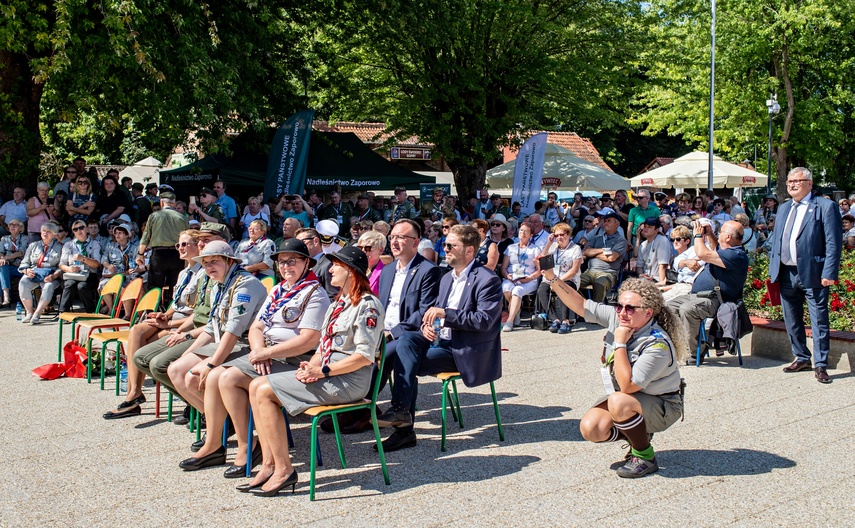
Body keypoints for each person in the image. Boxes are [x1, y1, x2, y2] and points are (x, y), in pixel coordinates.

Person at [180, 239, 329, 478]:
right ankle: (219, 443)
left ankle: (246, 446)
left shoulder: (314, 294)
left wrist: (265, 353)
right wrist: (259, 351)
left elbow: (309, 340)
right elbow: (257, 327)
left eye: (293, 261)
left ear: (307, 263)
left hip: (293, 359)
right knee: (213, 375)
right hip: (267, 353)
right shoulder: (279, 290)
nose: (286, 266)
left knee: (226, 377)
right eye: (281, 262)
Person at [246, 245, 383, 494]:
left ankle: (284, 470)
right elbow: (323, 346)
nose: (330, 269)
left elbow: (364, 357)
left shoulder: (367, 305)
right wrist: (312, 365)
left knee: (265, 390)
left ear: (351, 271)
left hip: (349, 381)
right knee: (256, 385)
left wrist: (324, 372)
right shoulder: (337, 304)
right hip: (329, 375)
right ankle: (269, 463)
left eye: (336, 265)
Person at [543, 270, 686, 478]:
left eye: (630, 308)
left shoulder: (657, 345)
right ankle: (638, 433)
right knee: (591, 428)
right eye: (619, 306)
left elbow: (628, 386)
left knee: (619, 401)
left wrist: (619, 343)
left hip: (663, 404)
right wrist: (552, 278)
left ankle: (645, 456)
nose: (622, 312)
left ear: (648, 312)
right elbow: (581, 305)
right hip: (632, 399)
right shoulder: (620, 319)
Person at [376, 224, 502, 451]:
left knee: (404, 360)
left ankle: (403, 427)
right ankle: (400, 413)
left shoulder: (487, 279)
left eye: (451, 246)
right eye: (445, 245)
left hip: (463, 349)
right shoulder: (447, 278)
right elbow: (435, 315)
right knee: (406, 341)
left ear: (469, 251)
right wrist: (428, 326)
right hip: (439, 342)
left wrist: (446, 315)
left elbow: (484, 320)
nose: (445, 250)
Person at [326, 218, 440, 435]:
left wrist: (391, 334)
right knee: (354, 351)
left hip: (412, 335)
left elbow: (424, 311)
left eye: (401, 238)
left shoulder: (428, 270)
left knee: (379, 357)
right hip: (383, 333)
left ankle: (366, 413)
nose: (395, 242)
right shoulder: (388, 271)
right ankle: (358, 410)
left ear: (415, 242)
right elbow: (379, 307)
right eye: (393, 237)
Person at [168, 241, 267, 467]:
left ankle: (216, 441)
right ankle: (223, 424)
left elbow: (233, 331)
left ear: (229, 261)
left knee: (196, 376)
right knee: (176, 370)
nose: (209, 267)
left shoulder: (245, 285)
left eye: (214, 261)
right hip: (225, 342)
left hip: (244, 344)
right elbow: (213, 328)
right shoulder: (218, 285)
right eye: (205, 263)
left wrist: (212, 364)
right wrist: (188, 356)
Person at [768, 167, 842, 384]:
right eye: (790, 181)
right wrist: (773, 269)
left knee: (819, 319)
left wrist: (829, 272)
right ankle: (801, 357)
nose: (792, 184)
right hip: (786, 272)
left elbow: (833, 242)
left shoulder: (825, 207)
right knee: (791, 319)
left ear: (809, 184)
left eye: (797, 181)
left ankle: (820, 365)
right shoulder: (783, 208)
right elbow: (778, 241)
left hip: (814, 273)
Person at [666, 220, 748, 360]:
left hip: (716, 300)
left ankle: (694, 352)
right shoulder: (727, 251)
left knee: (687, 309)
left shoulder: (736, 255)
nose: (719, 233)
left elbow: (703, 254)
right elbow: (715, 247)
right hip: (698, 295)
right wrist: (709, 234)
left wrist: (698, 235)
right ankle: (676, 346)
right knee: (668, 306)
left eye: (721, 231)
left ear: (728, 237)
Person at [136, 192, 189, 308]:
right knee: (175, 286)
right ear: (174, 204)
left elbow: (145, 237)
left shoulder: (154, 216)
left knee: (154, 286)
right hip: (177, 254)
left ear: (161, 202)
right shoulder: (183, 218)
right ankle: (172, 311)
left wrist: (140, 254)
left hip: (159, 255)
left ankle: (152, 311)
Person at [536, 222, 583, 334]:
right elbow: (541, 258)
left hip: (569, 278)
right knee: (542, 290)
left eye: (562, 234)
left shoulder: (575, 248)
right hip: (551, 277)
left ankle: (566, 321)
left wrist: (557, 282)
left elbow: (574, 270)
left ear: (568, 235)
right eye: (556, 235)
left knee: (562, 289)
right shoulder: (553, 247)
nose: (559, 237)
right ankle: (554, 319)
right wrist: (548, 243)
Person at [18, 222, 63, 323]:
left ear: (54, 234)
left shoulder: (60, 247)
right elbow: (25, 262)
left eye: (48, 231)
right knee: (23, 283)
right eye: (43, 231)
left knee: (48, 286)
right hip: (34, 273)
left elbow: (62, 265)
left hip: (50, 275)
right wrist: (26, 270)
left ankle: (37, 314)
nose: (45, 233)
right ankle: (29, 312)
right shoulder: (33, 245)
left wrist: (54, 276)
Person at [500, 222, 540, 332]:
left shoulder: (535, 249)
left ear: (531, 235)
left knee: (517, 290)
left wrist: (530, 278)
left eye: (526, 231)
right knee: (507, 288)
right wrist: (507, 276)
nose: (523, 233)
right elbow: (503, 268)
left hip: (529, 279)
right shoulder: (511, 247)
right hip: (511, 277)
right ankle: (516, 310)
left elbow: (539, 270)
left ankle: (510, 320)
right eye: (521, 230)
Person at [579, 212, 627, 303]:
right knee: (574, 282)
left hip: (608, 273)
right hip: (590, 272)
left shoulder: (621, 240)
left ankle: (596, 311)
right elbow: (586, 252)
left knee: (599, 283)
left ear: (617, 224)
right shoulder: (597, 238)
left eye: (609, 221)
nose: (605, 223)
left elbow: (612, 258)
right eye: (604, 221)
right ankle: (583, 308)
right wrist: (603, 250)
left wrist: (593, 253)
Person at [57, 219, 102, 313]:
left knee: (82, 286)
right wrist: (69, 269)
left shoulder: (95, 244)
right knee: (69, 284)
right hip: (73, 274)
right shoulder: (68, 245)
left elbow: (97, 264)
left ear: (86, 230)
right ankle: (63, 312)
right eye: (75, 229)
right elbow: (61, 264)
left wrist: (83, 258)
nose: (79, 231)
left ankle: (91, 311)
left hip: (89, 274)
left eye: (81, 228)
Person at [660, 225, 703, 302]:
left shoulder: (694, 255)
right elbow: (666, 281)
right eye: (672, 240)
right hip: (674, 288)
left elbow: (685, 282)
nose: (675, 242)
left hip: (685, 288)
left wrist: (662, 289)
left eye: (678, 239)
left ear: (687, 241)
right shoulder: (674, 258)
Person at [295, 227, 338, 300]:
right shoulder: (300, 266)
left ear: (316, 241)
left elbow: (333, 297)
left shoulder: (328, 264)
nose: (298, 247)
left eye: (302, 243)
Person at [633, 218, 671, 287]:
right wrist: (641, 275)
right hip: (644, 279)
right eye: (645, 226)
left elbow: (662, 265)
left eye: (649, 227)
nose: (645, 229)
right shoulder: (643, 244)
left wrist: (661, 284)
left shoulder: (662, 241)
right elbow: (639, 266)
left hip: (657, 279)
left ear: (657, 230)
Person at [0, 219, 29, 306]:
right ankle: (5, 297)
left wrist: (5, 258)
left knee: (2, 269)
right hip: (8, 266)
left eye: (15, 225)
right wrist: (2, 258)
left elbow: (20, 252)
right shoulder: (4, 238)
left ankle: (4, 297)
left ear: (20, 228)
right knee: (2, 267)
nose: (12, 226)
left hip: (20, 267)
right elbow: (0, 251)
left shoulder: (25, 238)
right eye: (10, 225)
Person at [356, 229, 389, 294]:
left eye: (367, 248)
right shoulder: (355, 269)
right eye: (360, 248)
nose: (363, 251)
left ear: (381, 250)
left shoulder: (385, 274)